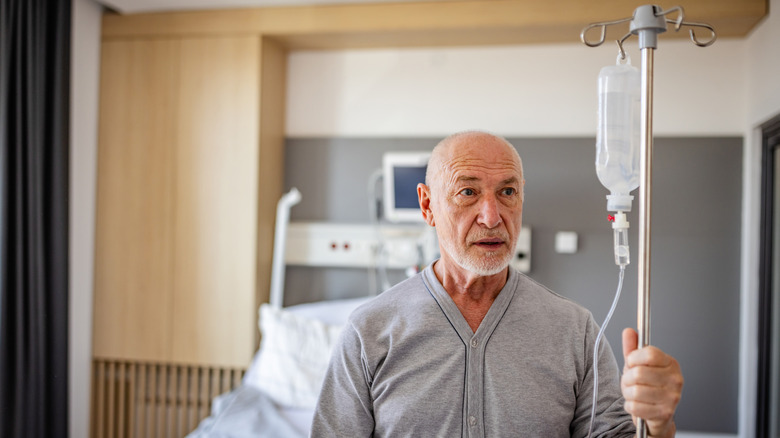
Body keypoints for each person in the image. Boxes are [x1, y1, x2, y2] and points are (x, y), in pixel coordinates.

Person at [310, 131, 683, 437]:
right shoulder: (369, 331)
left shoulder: (575, 331)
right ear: (428, 206)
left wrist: (657, 426)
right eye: (468, 192)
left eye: (507, 192)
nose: (492, 217)